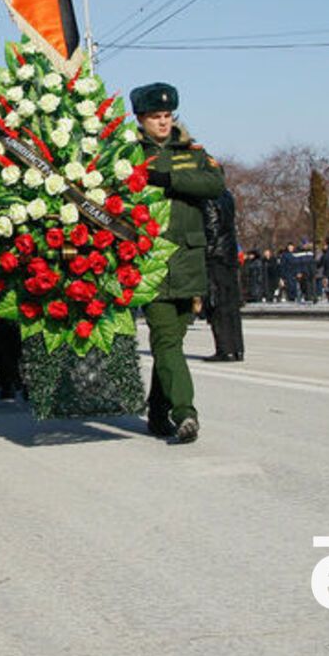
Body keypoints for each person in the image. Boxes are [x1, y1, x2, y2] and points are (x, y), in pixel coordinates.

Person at [131, 82, 225, 444]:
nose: (163, 123)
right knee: (166, 341)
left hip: (188, 260)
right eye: (156, 117)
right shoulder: (129, 152)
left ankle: (156, 413)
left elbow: (214, 182)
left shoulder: (192, 150)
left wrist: (168, 180)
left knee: (170, 343)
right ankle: (185, 413)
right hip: (151, 260)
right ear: (141, 118)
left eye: (167, 116)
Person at [200, 189, 243, 362]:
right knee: (231, 304)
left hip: (216, 255)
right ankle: (237, 348)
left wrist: (207, 251)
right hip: (229, 252)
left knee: (217, 301)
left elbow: (211, 227)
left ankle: (225, 349)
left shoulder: (208, 197)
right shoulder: (227, 195)